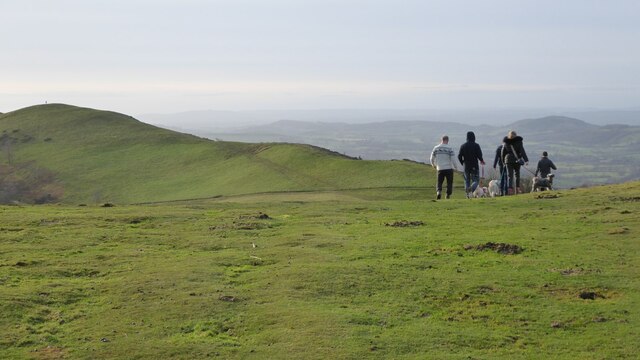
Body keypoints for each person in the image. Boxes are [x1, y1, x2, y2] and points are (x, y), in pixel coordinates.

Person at [430, 135, 459, 199]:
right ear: (447, 140)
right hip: (448, 168)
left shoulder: (436, 148)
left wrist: (433, 165)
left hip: (440, 168)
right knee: (449, 182)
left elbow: (431, 158)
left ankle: (438, 192)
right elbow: (453, 159)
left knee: (439, 182)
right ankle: (447, 194)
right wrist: (456, 167)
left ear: (441, 140)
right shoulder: (450, 148)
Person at [458, 131, 485, 198]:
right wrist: (481, 160)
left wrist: (462, 163)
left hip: (466, 166)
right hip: (474, 165)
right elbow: (479, 155)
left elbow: (459, 156)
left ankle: (468, 195)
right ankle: (470, 189)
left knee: (467, 180)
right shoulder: (476, 145)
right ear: (474, 137)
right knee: (475, 180)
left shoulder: (463, 146)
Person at [501, 130, 528, 195]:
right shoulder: (519, 142)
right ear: (516, 135)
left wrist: (503, 162)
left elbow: (502, 153)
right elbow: (522, 151)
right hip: (517, 160)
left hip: (508, 160)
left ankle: (510, 190)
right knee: (517, 175)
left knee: (509, 176)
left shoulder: (506, 142)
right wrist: (526, 160)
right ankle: (517, 189)